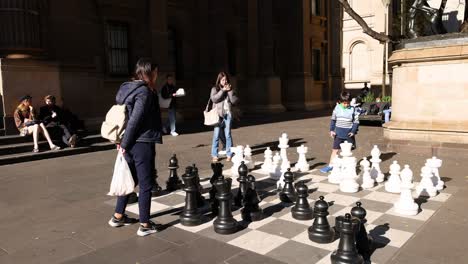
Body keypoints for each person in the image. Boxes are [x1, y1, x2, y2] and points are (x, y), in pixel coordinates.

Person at [108, 58, 163, 237]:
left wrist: (122, 143)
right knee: (145, 184)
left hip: (127, 140)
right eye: (155, 72)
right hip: (141, 142)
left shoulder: (126, 88)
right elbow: (135, 119)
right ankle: (145, 224)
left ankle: (118, 216)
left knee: (129, 178)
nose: (157, 75)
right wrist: (124, 145)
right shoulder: (144, 93)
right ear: (148, 72)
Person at [320, 91, 360, 173]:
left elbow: (356, 122)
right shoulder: (337, 108)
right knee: (335, 150)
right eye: (344, 103)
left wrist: (353, 131)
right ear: (340, 102)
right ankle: (330, 165)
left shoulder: (353, 109)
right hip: (338, 134)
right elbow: (333, 120)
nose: (346, 105)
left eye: (347, 103)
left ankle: (347, 166)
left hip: (348, 134)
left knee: (348, 151)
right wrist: (331, 130)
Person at [210, 71, 238, 162]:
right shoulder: (215, 88)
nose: (225, 81)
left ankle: (229, 153)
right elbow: (214, 99)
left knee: (228, 134)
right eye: (222, 80)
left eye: (226, 79)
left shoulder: (229, 88)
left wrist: (230, 91)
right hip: (218, 115)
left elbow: (234, 101)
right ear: (219, 80)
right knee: (216, 135)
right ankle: (214, 154)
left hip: (227, 114)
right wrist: (222, 90)